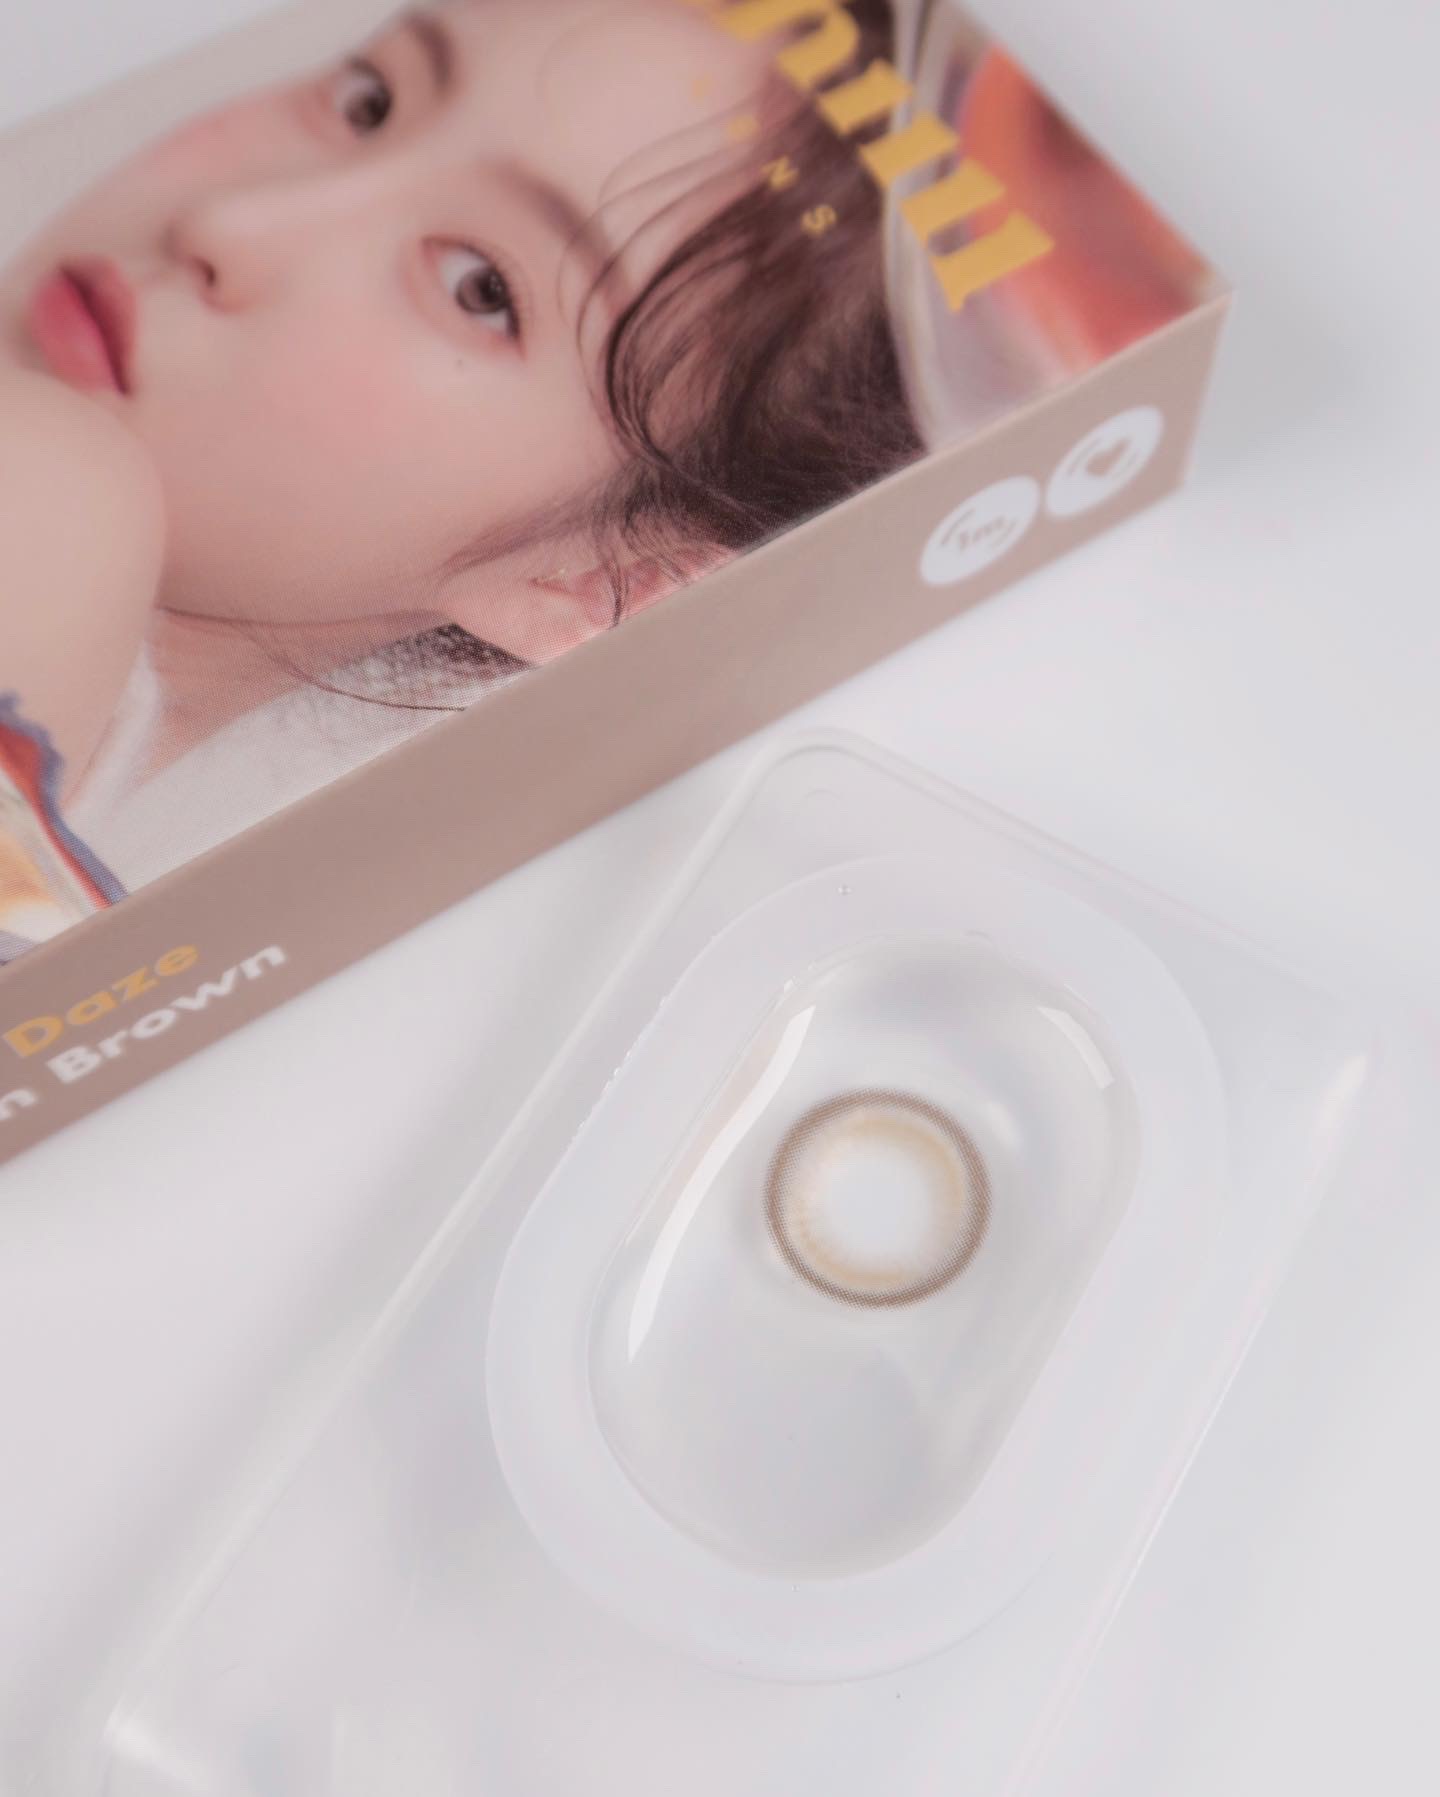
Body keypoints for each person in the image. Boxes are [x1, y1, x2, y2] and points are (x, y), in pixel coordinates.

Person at [0, 0, 925, 953]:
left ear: (607, 579)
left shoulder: (54, 496)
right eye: (369, 102)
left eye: (479, 289)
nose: (231, 220)